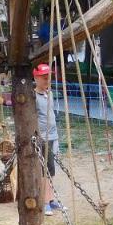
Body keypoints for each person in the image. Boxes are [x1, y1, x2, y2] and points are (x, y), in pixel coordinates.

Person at [34, 62, 64, 216]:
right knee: (45, 170)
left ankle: (51, 200)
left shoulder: (50, 93)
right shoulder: (34, 96)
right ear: (36, 78)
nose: (47, 80)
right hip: (43, 138)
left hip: (53, 136)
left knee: (51, 170)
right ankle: (44, 202)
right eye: (44, 78)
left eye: (49, 77)